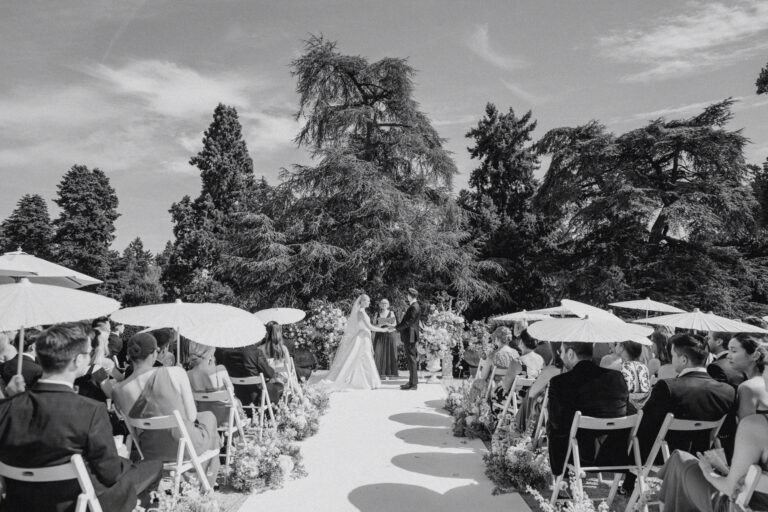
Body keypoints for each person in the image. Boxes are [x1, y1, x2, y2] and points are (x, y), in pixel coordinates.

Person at [0, 323, 162, 512]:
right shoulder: (89, 410)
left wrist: (12, 399)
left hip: (20, 504)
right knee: (154, 466)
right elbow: (110, 473)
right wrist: (122, 457)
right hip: (80, 503)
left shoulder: (6, 409)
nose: (91, 355)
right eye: (88, 352)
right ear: (77, 360)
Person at [621, 333, 735, 495]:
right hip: (701, 455)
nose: (671, 359)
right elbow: (726, 429)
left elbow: (645, 425)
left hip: (663, 455)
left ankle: (628, 485)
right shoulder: (727, 391)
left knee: (634, 433)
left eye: (673, 355)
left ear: (683, 360)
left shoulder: (668, 387)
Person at [112, 332, 220, 489]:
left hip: (149, 451)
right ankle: (204, 482)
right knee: (209, 419)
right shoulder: (175, 372)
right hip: (184, 446)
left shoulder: (118, 390)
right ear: (155, 352)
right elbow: (191, 416)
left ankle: (191, 481)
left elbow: (133, 428)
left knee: (206, 418)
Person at [657, 361, 768, 512]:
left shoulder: (756, 425)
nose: (763, 374)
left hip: (741, 507)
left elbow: (731, 490)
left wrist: (707, 470)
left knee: (679, 459)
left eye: (766, 366)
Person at [547, 342, 630, 476]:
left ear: (570, 353)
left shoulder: (560, 382)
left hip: (578, 454)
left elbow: (556, 422)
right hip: (614, 451)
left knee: (553, 423)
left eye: (561, 352)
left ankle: (561, 476)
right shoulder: (617, 377)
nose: (560, 356)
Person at [315, 294, 387, 391]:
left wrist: (381, 326)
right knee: (363, 357)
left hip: (364, 336)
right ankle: (365, 382)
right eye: (367, 301)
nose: (369, 302)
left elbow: (369, 326)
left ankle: (369, 381)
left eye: (369, 301)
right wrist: (384, 330)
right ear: (362, 302)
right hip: (362, 337)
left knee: (364, 357)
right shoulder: (360, 313)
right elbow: (370, 327)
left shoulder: (363, 312)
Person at [187, 341, 235, 427]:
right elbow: (231, 392)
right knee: (236, 402)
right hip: (225, 419)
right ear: (210, 352)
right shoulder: (220, 369)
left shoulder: (188, 375)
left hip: (203, 420)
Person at [224, 341, 284, 410]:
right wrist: (269, 365)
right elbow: (269, 373)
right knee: (280, 386)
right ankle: (275, 413)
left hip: (239, 398)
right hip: (258, 398)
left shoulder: (227, 354)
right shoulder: (256, 352)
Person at [727, 333, 768, 420]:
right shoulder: (761, 382)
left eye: (734, 351)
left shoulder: (748, 387)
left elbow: (745, 428)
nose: (728, 356)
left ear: (755, 356)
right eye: (728, 350)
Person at [395, 288, 422, 390]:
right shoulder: (413, 306)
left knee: (411, 359)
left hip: (410, 336)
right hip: (409, 335)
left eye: (407, 295)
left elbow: (408, 323)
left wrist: (396, 328)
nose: (407, 297)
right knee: (411, 359)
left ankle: (413, 384)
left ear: (411, 296)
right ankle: (411, 382)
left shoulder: (414, 307)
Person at [618, 340, 651, 410]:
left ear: (623, 347)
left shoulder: (620, 367)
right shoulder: (643, 367)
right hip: (641, 411)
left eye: (618, 344)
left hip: (627, 410)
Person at [372, 298, 399, 380]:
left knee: (390, 352)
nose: (384, 305)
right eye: (382, 303)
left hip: (389, 334)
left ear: (388, 305)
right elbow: (373, 326)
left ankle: (391, 374)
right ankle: (379, 374)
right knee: (378, 353)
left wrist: (386, 323)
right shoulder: (377, 314)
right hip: (379, 335)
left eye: (386, 303)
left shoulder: (391, 313)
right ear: (380, 304)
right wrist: (379, 325)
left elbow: (395, 324)